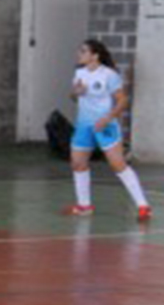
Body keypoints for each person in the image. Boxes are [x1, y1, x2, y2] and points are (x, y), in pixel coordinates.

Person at [65, 39, 151, 221]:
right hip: (84, 125)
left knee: (117, 164)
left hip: (105, 124)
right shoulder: (79, 72)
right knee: (78, 164)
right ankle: (84, 205)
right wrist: (76, 93)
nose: (79, 54)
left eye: (83, 51)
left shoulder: (109, 75)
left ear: (94, 55)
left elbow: (122, 100)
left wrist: (107, 118)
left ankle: (143, 206)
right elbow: (74, 97)